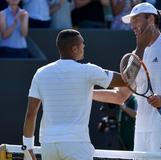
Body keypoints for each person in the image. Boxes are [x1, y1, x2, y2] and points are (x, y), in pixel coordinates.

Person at [93, 2, 161, 153]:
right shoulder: (135, 54)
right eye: (131, 22)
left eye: (136, 20)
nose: (132, 26)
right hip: (141, 130)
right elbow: (120, 96)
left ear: (151, 19)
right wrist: (88, 94)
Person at [22, 29, 127, 160]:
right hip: (76, 144)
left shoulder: (40, 73)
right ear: (74, 49)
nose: (84, 46)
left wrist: (27, 148)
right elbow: (126, 80)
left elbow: (30, 115)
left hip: (48, 145)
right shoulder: (88, 70)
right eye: (82, 43)